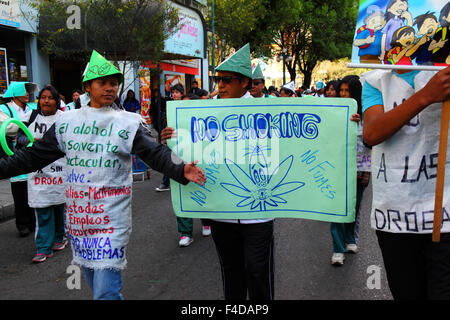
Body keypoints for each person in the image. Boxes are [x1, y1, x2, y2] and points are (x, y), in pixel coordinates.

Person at [0, 50, 206, 300]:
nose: (110, 88)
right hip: (80, 222)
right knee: (93, 281)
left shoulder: (127, 122)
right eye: (103, 83)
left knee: (106, 293)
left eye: (114, 83)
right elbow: (34, 156)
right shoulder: (67, 122)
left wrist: (180, 166)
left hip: (111, 221)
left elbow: (156, 152)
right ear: (88, 86)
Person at [362, 64, 450, 299]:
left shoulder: (445, 73)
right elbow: (371, 133)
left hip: (445, 215)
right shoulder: (375, 79)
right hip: (395, 216)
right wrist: (426, 96)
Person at [211, 43, 275, 300]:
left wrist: (345, 123)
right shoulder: (206, 111)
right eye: (218, 80)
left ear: (245, 83)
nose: (221, 85)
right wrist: (173, 136)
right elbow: (189, 147)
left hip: (258, 213)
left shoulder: (268, 111)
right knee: (231, 271)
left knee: (258, 271)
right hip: (221, 210)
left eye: (227, 80)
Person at [16, 85, 67, 263]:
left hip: (60, 172)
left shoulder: (65, 118)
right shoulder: (30, 117)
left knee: (59, 207)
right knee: (42, 208)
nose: (46, 101)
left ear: (56, 101)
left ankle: (59, 239)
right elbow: (20, 138)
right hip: (38, 173)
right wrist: (33, 141)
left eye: (50, 97)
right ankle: (43, 248)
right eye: (43, 97)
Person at [330, 75, 371, 266]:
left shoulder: (366, 115)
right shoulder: (334, 112)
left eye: (348, 91)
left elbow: (370, 144)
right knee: (337, 208)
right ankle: (338, 249)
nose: (344, 94)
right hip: (338, 170)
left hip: (360, 170)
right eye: (342, 91)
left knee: (354, 208)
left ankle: (350, 240)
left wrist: (366, 171)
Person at [161, 94, 212, 246]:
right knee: (182, 194)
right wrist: (165, 138)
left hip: (203, 161)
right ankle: (185, 233)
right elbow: (164, 147)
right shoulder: (174, 123)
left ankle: (207, 222)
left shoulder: (207, 121)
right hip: (180, 162)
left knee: (204, 191)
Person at [0, 81, 38, 237]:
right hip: (15, 153)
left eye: (28, 91)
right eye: (24, 90)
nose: (27, 93)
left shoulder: (33, 108)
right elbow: (6, 127)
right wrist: (25, 126)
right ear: (15, 93)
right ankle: (22, 223)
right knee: (20, 190)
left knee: (34, 189)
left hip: (33, 153)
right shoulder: (4, 109)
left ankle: (34, 222)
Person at [155, 83, 185, 192]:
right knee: (171, 159)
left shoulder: (186, 104)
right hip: (173, 136)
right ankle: (165, 182)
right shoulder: (169, 106)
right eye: (173, 92)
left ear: (182, 94)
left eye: (177, 92)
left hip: (184, 137)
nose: (174, 94)